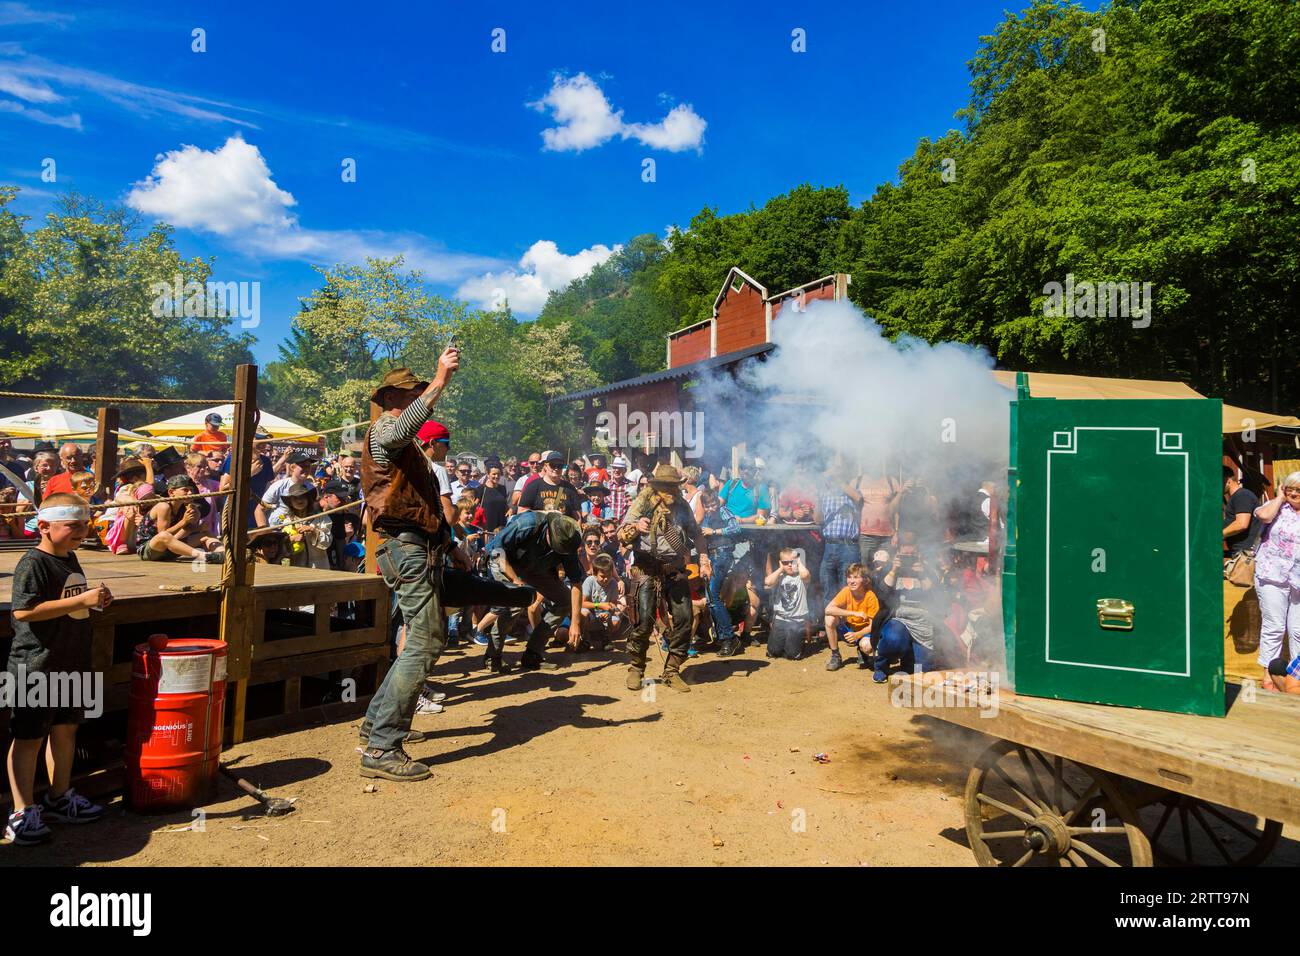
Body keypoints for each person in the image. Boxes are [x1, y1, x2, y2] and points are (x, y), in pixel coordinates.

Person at [357, 353, 460, 782]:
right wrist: (441, 378)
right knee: (427, 637)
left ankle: (374, 727)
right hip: (406, 547)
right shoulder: (385, 430)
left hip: (415, 546)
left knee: (424, 636)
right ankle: (382, 746)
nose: (420, 396)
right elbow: (403, 426)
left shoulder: (402, 441)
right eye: (414, 391)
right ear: (396, 396)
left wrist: (450, 544)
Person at [5, 493, 111, 845]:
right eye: (73, 525)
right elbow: (23, 611)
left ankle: (59, 796)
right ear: (45, 526)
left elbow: (70, 602)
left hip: (72, 661)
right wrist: (81, 599)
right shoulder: (32, 562)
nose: (82, 531)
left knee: (66, 730)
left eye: (84, 524)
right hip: (36, 664)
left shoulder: (71, 557)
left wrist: (93, 600)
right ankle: (21, 811)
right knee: (29, 737)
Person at [618, 463, 711, 692]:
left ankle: (672, 670)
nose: (670, 491)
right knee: (643, 622)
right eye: (665, 486)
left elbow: (697, 535)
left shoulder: (682, 506)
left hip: (675, 569)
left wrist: (704, 560)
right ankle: (636, 668)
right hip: (646, 568)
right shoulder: (643, 503)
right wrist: (637, 527)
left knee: (684, 619)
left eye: (673, 486)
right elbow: (622, 533)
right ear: (657, 486)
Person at [479, 510, 584, 672]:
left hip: (536, 567)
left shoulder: (569, 541)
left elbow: (576, 583)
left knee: (564, 600)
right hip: (504, 561)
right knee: (515, 603)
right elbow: (497, 551)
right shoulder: (527, 524)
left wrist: (576, 623)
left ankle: (532, 654)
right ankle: (492, 656)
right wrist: (515, 581)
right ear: (549, 531)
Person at [1252, 472, 1300, 689]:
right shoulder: (1276, 506)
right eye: (1290, 488)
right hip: (1272, 574)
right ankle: (1269, 676)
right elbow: (1263, 516)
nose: (1294, 493)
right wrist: (1280, 498)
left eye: (1299, 490)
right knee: (1274, 626)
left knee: (1298, 629)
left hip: (1298, 578)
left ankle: (1295, 678)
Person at [138, 475, 224, 563]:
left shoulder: (187, 507)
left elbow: (183, 533)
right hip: (150, 550)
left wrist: (198, 526)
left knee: (206, 534)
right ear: (171, 492)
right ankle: (204, 556)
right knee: (164, 536)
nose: (190, 493)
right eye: (185, 490)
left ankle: (221, 554)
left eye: (191, 490)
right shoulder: (163, 506)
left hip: (171, 548)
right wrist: (184, 521)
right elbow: (163, 535)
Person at [698, 488, 743, 656]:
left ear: (717, 502)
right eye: (707, 506)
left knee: (713, 598)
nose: (711, 508)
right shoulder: (706, 517)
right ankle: (721, 638)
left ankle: (729, 639)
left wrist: (715, 531)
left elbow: (736, 528)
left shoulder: (723, 511)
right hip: (712, 558)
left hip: (723, 556)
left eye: (713, 504)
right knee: (711, 599)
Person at [816, 463, 861, 626]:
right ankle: (831, 625)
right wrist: (817, 498)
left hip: (849, 546)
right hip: (829, 545)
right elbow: (818, 520)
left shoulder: (852, 492)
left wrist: (838, 479)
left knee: (849, 587)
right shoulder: (825, 495)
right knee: (827, 584)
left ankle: (848, 625)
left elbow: (859, 498)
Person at [823, 563, 880, 671]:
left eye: (856, 577)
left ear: (865, 580)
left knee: (866, 646)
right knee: (829, 618)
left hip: (865, 632)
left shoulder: (870, 596)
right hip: (849, 629)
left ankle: (863, 652)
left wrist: (857, 635)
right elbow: (828, 609)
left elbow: (874, 626)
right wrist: (853, 613)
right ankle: (836, 656)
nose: (851, 581)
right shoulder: (846, 591)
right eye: (849, 577)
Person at [268, 479, 332, 571]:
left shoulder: (321, 517)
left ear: (308, 498)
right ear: (290, 502)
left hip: (319, 568)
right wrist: (291, 539)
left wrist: (314, 531)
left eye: (302, 497)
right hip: (297, 568)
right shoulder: (287, 521)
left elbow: (327, 542)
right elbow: (281, 549)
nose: (299, 500)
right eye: (295, 498)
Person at [765, 548, 811, 659]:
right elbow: (768, 582)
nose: (790, 565)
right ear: (781, 563)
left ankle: (796, 644)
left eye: (793, 562)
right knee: (773, 652)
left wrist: (799, 563)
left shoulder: (801, 577)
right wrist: (781, 568)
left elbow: (805, 575)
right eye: (786, 563)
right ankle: (785, 644)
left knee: (792, 655)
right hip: (781, 620)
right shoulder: (779, 577)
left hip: (797, 621)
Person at [853, 462, 899, 565]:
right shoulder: (857, 481)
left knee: (885, 568)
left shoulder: (891, 481)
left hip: (886, 536)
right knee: (865, 569)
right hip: (865, 535)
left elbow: (897, 510)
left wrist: (896, 532)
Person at [580, 553, 626, 650]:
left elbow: (613, 603)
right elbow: (582, 603)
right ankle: (585, 638)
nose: (606, 579)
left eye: (609, 575)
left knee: (615, 621)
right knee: (583, 613)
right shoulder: (590, 581)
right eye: (602, 576)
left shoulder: (613, 583)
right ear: (595, 574)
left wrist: (609, 611)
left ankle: (606, 638)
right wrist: (599, 606)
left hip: (605, 613)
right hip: (591, 612)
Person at [517, 450, 582, 520]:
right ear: (545, 466)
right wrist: (545, 513)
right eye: (553, 465)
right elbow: (521, 512)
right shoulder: (533, 486)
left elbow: (577, 517)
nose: (556, 468)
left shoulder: (570, 489)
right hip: (540, 530)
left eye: (559, 466)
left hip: (563, 530)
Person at [1223, 467, 1261, 557]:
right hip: (1241, 552)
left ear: (1228, 480)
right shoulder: (1237, 497)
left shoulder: (1242, 495)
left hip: (1245, 554)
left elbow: (1241, 524)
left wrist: (1219, 535)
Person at [476, 461, 510, 534]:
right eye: (494, 474)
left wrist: (510, 509)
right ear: (488, 475)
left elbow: (504, 504)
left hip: (501, 526)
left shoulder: (502, 488)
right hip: (486, 527)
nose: (496, 476)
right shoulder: (481, 489)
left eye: (498, 474)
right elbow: (474, 506)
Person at [606, 456, 635, 523]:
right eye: (614, 468)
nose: (616, 470)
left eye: (619, 468)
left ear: (625, 470)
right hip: (609, 525)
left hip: (625, 523)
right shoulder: (606, 486)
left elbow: (634, 505)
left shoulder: (631, 485)